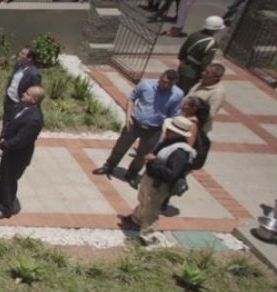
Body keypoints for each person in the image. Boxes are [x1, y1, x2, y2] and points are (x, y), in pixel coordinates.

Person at [95, 70, 184, 187]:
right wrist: (128, 116)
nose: (165, 85)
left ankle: (131, 174)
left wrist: (165, 132)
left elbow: (172, 115)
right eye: (163, 82)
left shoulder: (177, 94)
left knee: (143, 154)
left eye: (169, 84)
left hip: (154, 129)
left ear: (174, 84)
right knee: (121, 146)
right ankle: (109, 166)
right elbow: (132, 98)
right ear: (160, 77)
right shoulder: (146, 84)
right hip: (134, 123)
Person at [123, 116, 196, 245]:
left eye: (171, 130)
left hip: (159, 185)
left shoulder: (180, 152)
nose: (167, 131)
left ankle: (147, 237)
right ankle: (136, 220)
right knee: (143, 201)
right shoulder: (169, 142)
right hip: (150, 179)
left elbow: (171, 174)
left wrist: (154, 161)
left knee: (151, 210)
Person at [0, 86, 45, 219]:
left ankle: (6, 208)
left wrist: (3, 144)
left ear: (34, 99)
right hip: (10, 151)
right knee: (3, 174)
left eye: (27, 93)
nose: (23, 93)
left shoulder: (34, 120)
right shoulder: (23, 106)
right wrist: (3, 136)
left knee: (9, 180)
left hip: (18, 155)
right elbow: (11, 123)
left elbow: (20, 140)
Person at [176, 16, 224, 92]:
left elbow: (183, 50)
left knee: (176, 88)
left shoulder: (194, 34)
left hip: (183, 66)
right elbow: (205, 62)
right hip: (194, 73)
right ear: (216, 29)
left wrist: (182, 62)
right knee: (186, 92)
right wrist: (204, 75)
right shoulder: (211, 43)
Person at [3, 46, 42, 124]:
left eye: (22, 54)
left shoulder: (34, 74)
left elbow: (34, 94)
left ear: (29, 58)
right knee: (5, 120)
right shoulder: (18, 65)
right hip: (9, 99)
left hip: (18, 104)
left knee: (12, 124)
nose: (19, 54)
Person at [184, 63, 226, 133]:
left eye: (207, 73)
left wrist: (193, 122)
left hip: (194, 128)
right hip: (184, 120)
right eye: (204, 70)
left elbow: (209, 115)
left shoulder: (218, 93)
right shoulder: (202, 82)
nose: (203, 73)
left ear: (215, 77)